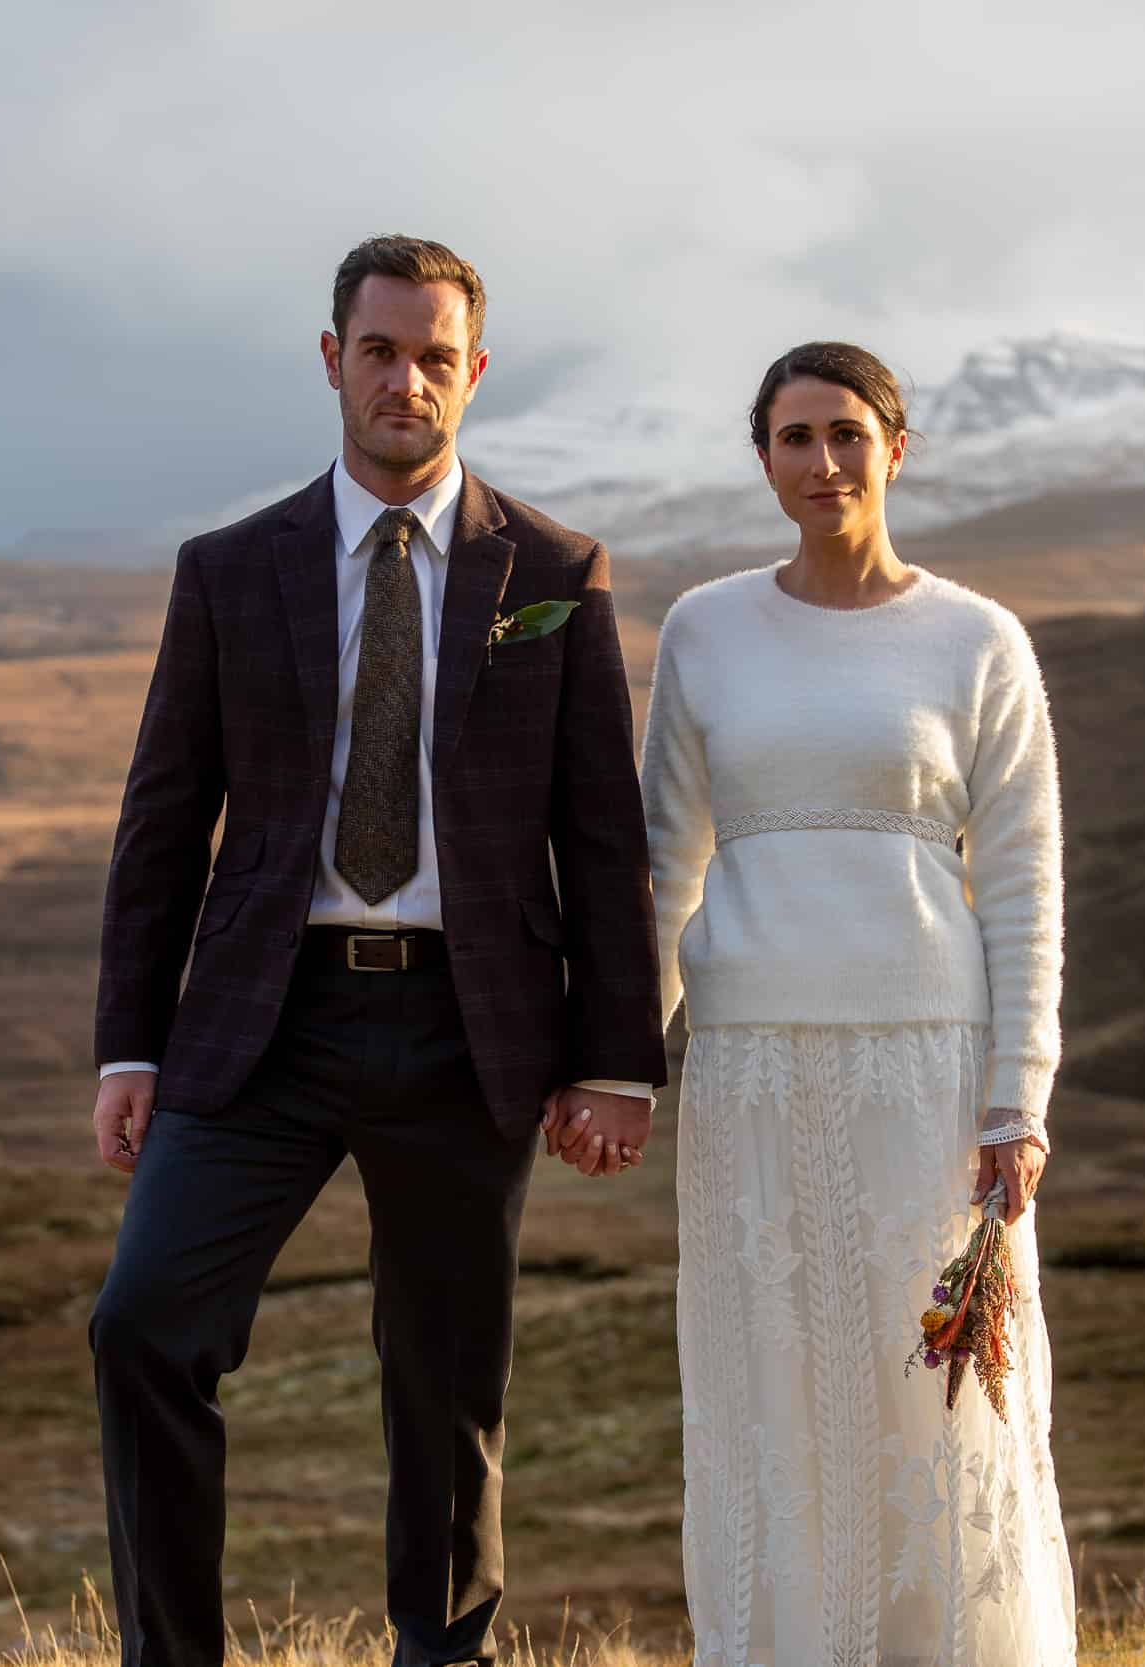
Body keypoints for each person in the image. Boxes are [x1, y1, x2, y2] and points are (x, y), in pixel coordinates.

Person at [84, 234, 667, 1667]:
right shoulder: (230, 569)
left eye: (434, 355)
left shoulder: (556, 572)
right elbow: (167, 814)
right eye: (380, 349)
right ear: (332, 357)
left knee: (448, 1384)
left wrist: (615, 1061)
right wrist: (132, 1041)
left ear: (474, 371)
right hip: (258, 1029)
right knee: (143, 1328)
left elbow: (599, 834)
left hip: (468, 1031)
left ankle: (442, 1657)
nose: (406, 378)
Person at [636, 341, 1077, 1664]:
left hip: (927, 1071)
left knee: (942, 1402)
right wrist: (622, 1060)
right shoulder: (706, 629)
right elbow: (664, 863)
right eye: (792, 438)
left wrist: (1020, 1096)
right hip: (751, 1066)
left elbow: (1022, 881)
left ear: (897, 447)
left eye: (846, 435)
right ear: (761, 456)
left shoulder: (976, 638)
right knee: (770, 1390)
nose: (821, 463)